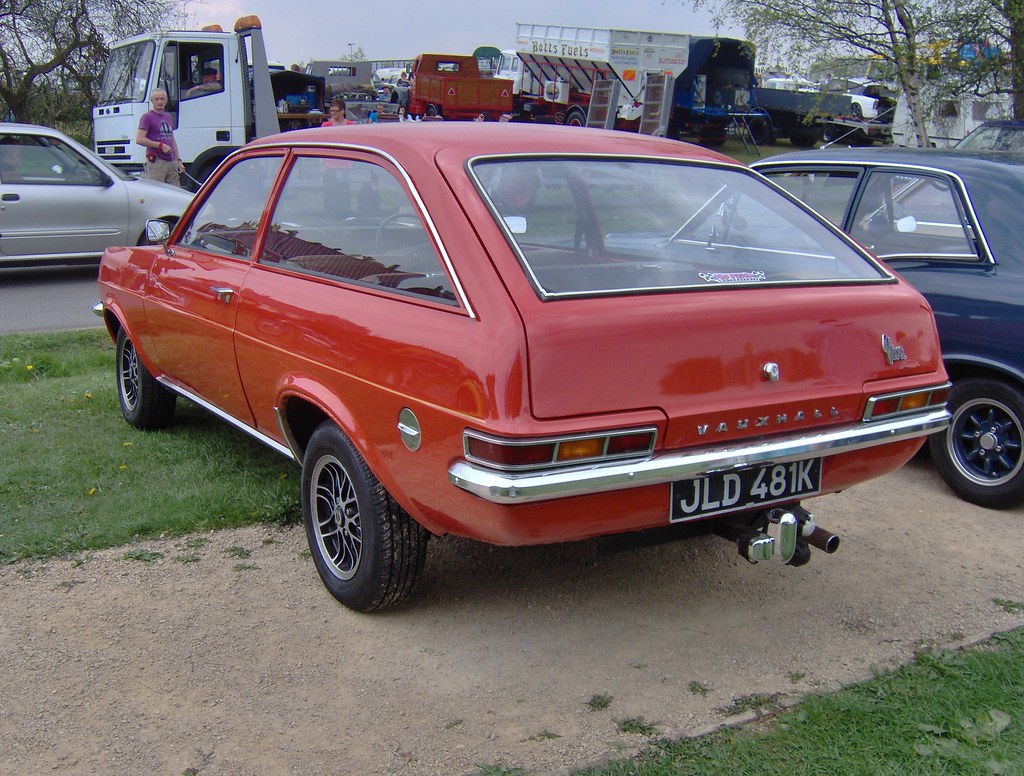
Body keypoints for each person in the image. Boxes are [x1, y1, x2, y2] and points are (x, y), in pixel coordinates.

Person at [135, 88, 185, 186]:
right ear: (152, 101)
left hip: (171, 162)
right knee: (156, 193)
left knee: (175, 193)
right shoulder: (147, 117)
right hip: (157, 162)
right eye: (156, 99)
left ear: (166, 100)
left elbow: (171, 140)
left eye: (162, 99)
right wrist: (159, 145)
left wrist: (178, 160)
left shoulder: (168, 117)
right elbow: (139, 139)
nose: (159, 102)